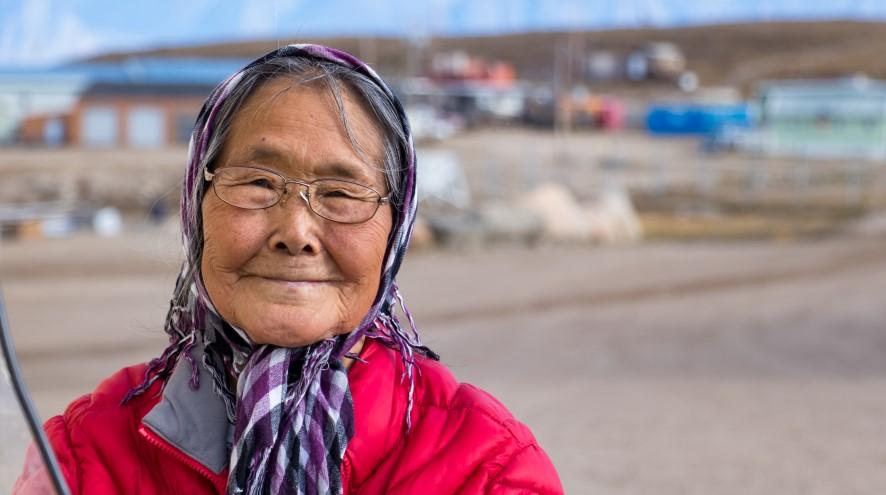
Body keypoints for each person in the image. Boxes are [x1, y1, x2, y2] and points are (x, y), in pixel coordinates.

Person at [15, 44, 562, 494]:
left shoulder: (484, 466)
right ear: (195, 206)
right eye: (257, 183)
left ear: (394, 229)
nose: (295, 232)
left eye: (342, 192)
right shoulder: (85, 456)